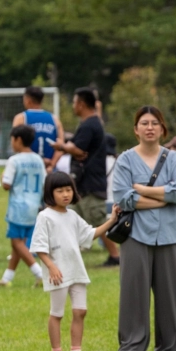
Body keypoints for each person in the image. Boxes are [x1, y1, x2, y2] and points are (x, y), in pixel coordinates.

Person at [112, 106, 176, 351]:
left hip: (171, 233)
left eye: (155, 123)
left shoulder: (174, 158)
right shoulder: (125, 159)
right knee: (133, 293)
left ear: (162, 128)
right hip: (135, 234)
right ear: (135, 130)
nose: (149, 127)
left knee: (172, 293)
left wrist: (142, 191)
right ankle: (131, 347)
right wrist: (163, 198)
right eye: (144, 123)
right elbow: (123, 198)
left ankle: (172, 347)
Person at [31, 172, 119, 351]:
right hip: (58, 274)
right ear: (50, 193)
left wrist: (111, 220)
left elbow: (89, 234)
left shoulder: (72, 216)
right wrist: (51, 267)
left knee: (80, 311)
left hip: (76, 271)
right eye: (60, 190)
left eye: (69, 190)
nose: (65, 194)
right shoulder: (44, 217)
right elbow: (38, 246)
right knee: (57, 313)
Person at [51, 87, 120, 266]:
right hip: (85, 183)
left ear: (81, 104)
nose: (73, 106)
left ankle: (115, 255)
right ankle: (69, 257)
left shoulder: (90, 124)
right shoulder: (92, 123)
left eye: (74, 102)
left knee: (97, 222)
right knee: (72, 220)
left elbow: (79, 149)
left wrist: (62, 146)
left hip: (90, 183)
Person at [0, 125, 47, 287]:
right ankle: (7, 278)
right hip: (34, 206)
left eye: (12, 140)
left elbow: (6, 184)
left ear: (18, 140)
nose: (11, 144)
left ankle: (40, 273)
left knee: (17, 243)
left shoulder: (14, 160)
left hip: (18, 208)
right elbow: (44, 182)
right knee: (19, 243)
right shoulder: (38, 159)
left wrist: (3, 177)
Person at [12, 86, 64, 171]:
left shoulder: (21, 118)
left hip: (27, 169)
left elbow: (16, 144)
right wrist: (51, 166)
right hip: (49, 171)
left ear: (27, 100)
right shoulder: (55, 119)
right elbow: (61, 147)